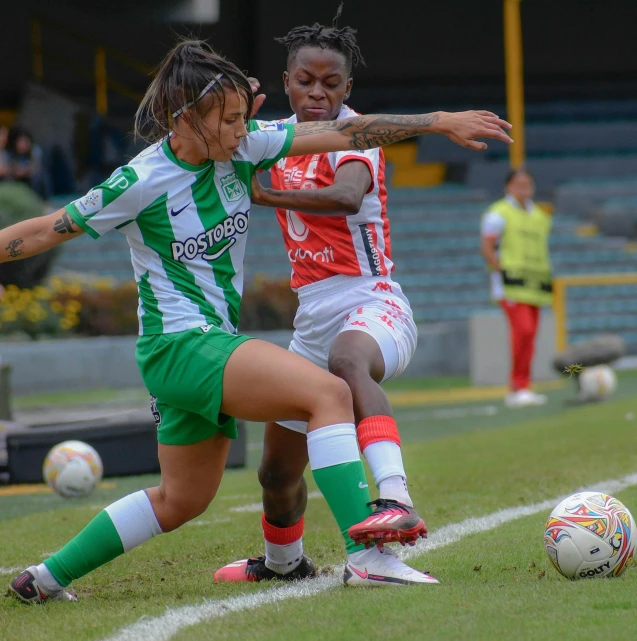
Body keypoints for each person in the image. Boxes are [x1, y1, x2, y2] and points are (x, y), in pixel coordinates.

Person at [3, 39, 511, 604]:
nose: (242, 130)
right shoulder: (138, 181)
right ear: (185, 117)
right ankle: (369, 558)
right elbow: (46, 229)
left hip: (202, 349)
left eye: (245, 116)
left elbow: (348, 133)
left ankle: (43, 579)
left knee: (181, 500)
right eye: (229, 119)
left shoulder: (245, 148)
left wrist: (438, 121)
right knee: (327, 393)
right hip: (182, 345)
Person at [215, 13, 437, 586]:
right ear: (287, 82)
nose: (318, 92)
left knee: (347, 364)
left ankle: (395, 497)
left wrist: (266, 195)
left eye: (331, 83)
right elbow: (212, 143)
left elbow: (345, 196)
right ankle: (283, 563)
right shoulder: (275, 137)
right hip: (311, 318)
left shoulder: (356, 134)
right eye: (306, 81)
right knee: (275, 472)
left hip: (373, 300)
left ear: (348, 89)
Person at [481, 169, 552, 408]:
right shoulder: (498, 214)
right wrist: (500, 272)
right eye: (518, 184)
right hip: (511, 285)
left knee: (530, 335)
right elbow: (488, 247)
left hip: (535, 286)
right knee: (523, 331)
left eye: (528, 184)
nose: (524, 189)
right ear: (508, 187)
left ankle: (524, 386)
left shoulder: (541, 215)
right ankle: (518, 386)